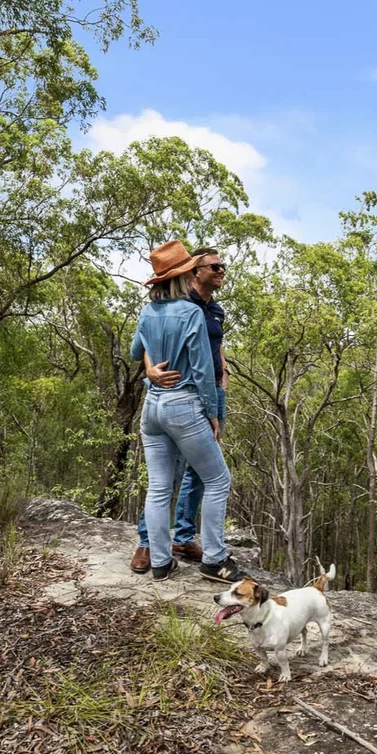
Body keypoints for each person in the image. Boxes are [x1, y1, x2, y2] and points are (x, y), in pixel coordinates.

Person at [128, 241, 243, 583]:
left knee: (160, 486)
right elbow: (203, 370)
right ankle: (214, 559)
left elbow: (137, 351)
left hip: (152, 408)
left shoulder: (148, 312)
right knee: (218, 479)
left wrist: (152, 368)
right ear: (184, 275)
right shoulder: (190, 313)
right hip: (184, 405)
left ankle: (161, 563)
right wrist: (211, 413)